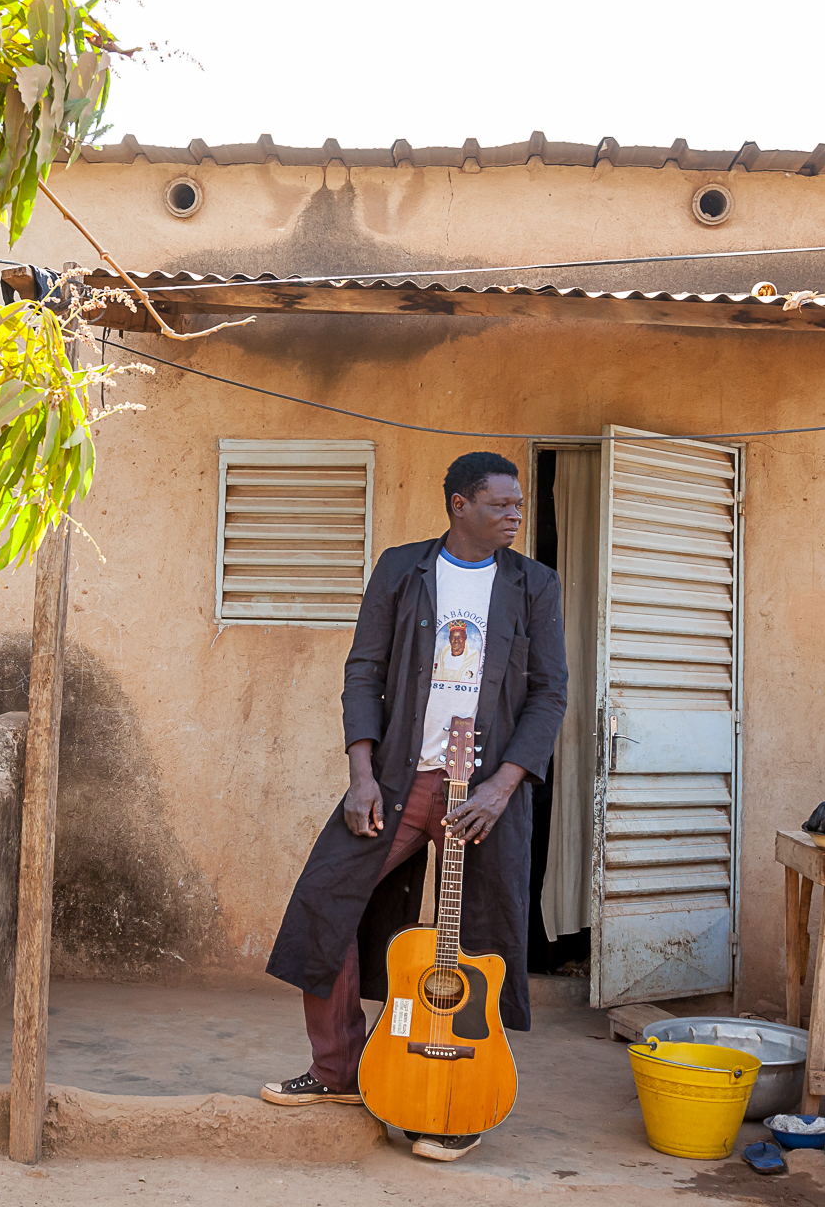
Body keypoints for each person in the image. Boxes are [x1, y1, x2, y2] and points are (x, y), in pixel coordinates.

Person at [262, 452, 567, 1163]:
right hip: (402, 780)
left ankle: (456, 1100)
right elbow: (363, 670)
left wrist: (504, 785)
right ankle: (339, 1071)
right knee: (324, 903)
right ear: (459, 504)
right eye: (501, 504)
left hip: (486, 792)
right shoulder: (403, 571)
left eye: (519, 505)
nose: (516, 515)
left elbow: (549, 692)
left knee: (480, 943)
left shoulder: (535, 586)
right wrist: (360, 773)